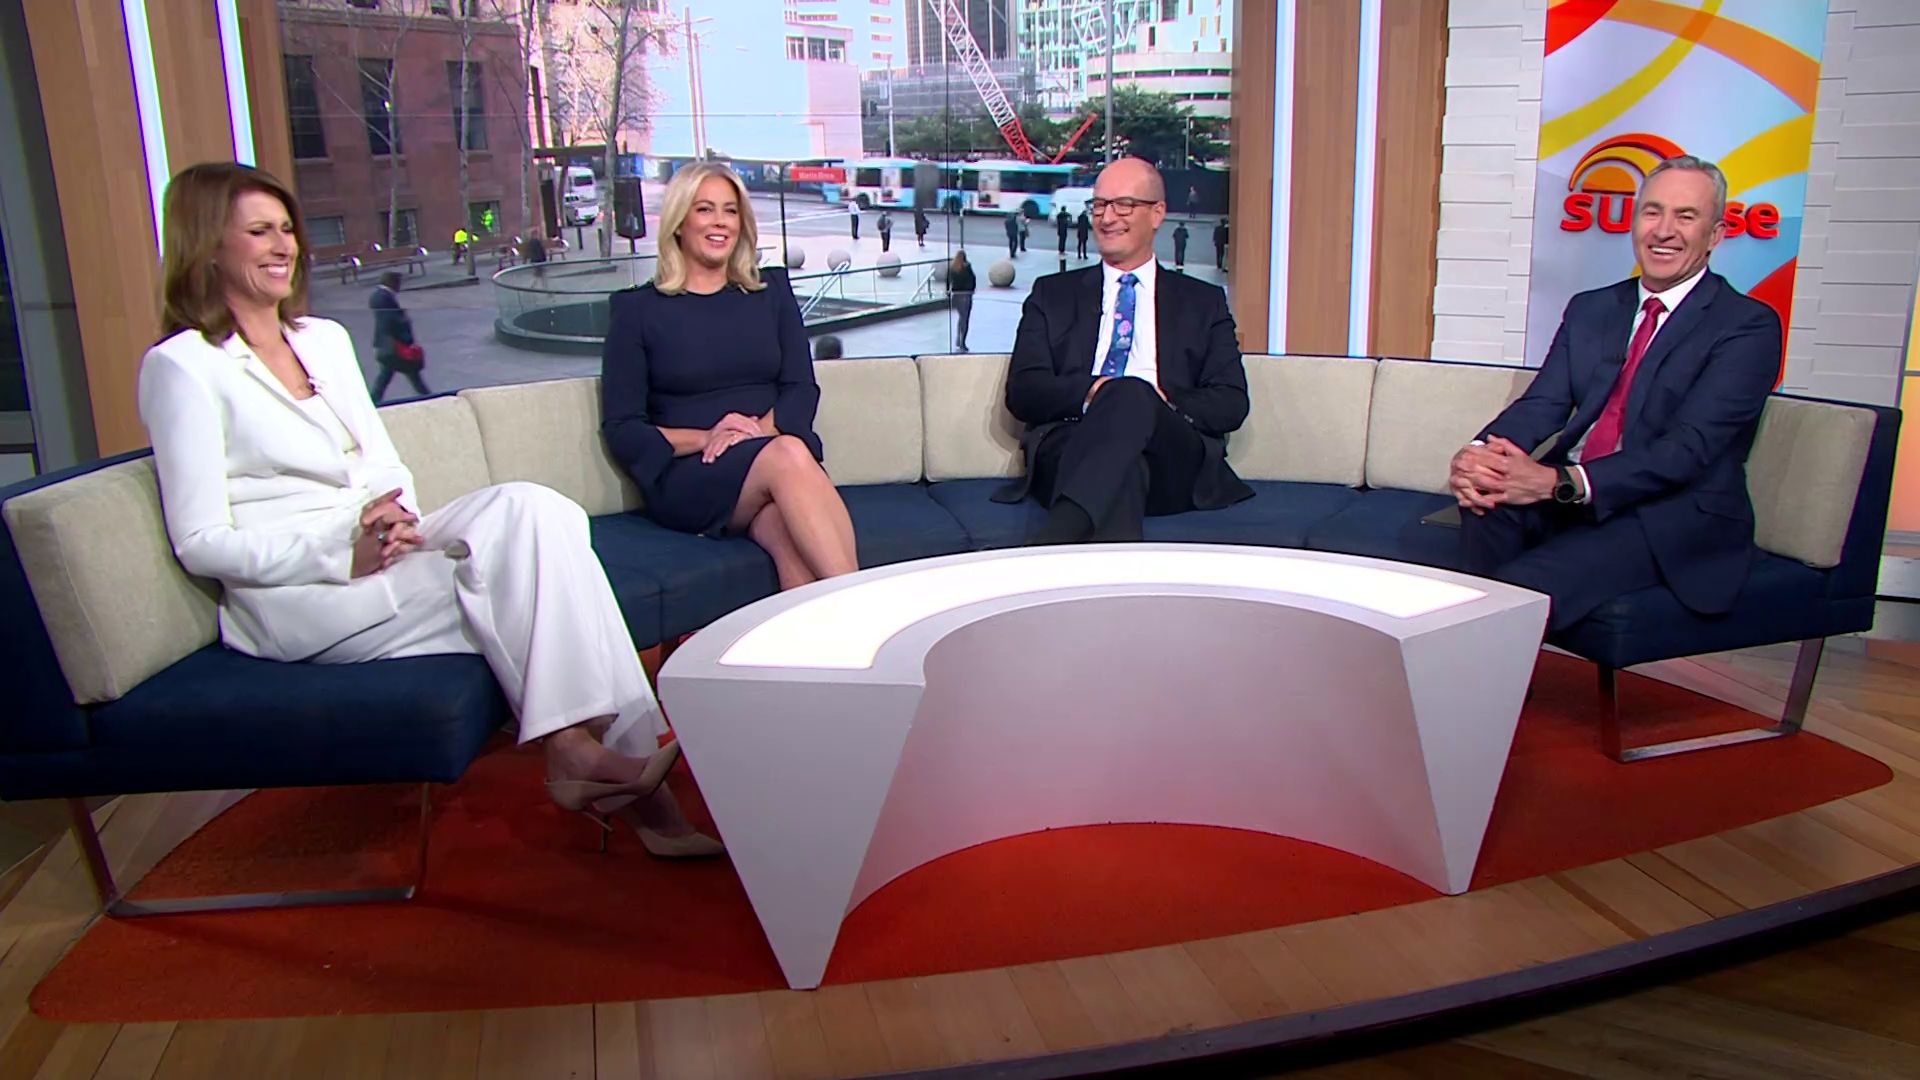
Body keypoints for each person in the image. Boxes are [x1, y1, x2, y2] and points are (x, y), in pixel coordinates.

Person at [137, 163, 713, 858]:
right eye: (260, 231)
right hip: (304, 588)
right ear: (208, 246)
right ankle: (619, 778)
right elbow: (201, 540)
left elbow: (380, 461)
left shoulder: (322, 338)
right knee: (543, 574)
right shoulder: (183, 368)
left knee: (539, 512)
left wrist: (394, 512)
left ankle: (581, 755)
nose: (284, 245)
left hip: (384, 541)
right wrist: (338, 551)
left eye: (287, 228)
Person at [1448, 156, 1781, 632]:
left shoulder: (1746, 326)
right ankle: (1484, 665)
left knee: (1518, 591)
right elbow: (1543, 403)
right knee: (1485, 502)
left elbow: (1688, 450)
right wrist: (1479, 456)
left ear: (1715, 235)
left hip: (1666, 515)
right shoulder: (1593, 308)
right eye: (1652, 211)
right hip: (1572, 499)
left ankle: (1477, 661)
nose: (1663, 231)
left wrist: (1559, 482)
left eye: (1685, 216)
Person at [602, 162, 859, 598]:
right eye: (705, 209)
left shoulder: (771, 293)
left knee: (785, 531)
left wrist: (756, 432)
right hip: (692, 473)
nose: (720, 222)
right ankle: (866, 605)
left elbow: (801, 388)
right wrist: (707, 438)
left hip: (771, 454)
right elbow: (623, 427)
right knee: (789, 454)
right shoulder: (637, 311)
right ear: (679, 222)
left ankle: (822, 641)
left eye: (730, 210)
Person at [993, 158, 1252, 543]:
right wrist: (1094, 391)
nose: (1107, 217)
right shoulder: (1052, 294)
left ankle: (1048, 547)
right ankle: (1077, 558)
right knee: (1125, 468)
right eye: (1099, 205)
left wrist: (1156, 400)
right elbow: (1024, 391)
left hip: (1172, 455)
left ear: (1157, 213)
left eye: (1123, 205)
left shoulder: (1203, 302)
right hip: (1071, 443)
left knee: (1132, 393)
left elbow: (1231, 402)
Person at [368, 271, 429, 403]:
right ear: (392, 282)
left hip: (386, 344)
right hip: (393, 345)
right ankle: (428, 397)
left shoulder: (378, 296)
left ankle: (373, 400)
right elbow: (391, 321)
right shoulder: (384, 298)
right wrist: (405, 329)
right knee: (411, 373)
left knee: (386, 375)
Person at [948, 251, 976, 352]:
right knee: (965, 319)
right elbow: (972, 279)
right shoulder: (967, 267)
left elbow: (949, 281)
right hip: (966, 295)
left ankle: (958, 338)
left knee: (961, 318)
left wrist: (949, 292)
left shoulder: (953, 268)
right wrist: (972, 290)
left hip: (956, 295)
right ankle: (962, 341)